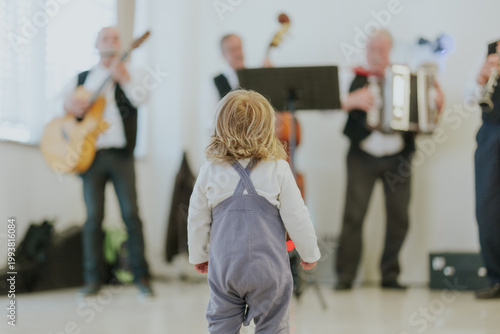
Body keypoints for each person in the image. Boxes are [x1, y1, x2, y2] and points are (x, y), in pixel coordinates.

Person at [188, 90, 321, 333]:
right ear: (267, 129)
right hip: (269, 271)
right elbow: (298, 217)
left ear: (220, 126)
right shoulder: (279, 169)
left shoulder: (210, 170)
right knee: (273, 325)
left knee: (221, 324)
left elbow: (196, 218)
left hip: (226, 268)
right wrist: (309, 252)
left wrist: (198, 255)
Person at [335, 30, 444, 290]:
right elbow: (328, 107)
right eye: (371, 49)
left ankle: (390, 276)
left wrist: (436, 103)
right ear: (366, 49)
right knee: (353, 216)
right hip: (361, 155)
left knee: (399, 218)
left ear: (389, 50)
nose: (375, 54)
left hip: (399, 156)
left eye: (381, 50)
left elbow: (429, 105)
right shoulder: (352, 75)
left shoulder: (406, 76)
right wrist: (351, 101)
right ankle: (345, 277)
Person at [62, 27, 152, 297]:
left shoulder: (132, 73)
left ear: (122, 44)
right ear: (97, 45)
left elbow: (142, 98)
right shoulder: (83, 78)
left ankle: (141, 277)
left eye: (115, 38)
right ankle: (93, 280)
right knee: (93, 219)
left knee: (131, 215)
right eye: (105, 39)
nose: (111, 43)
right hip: (91, 157)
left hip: (122, 155)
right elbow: (60, 104)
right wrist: (70, 106)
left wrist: (123, 77)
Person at [473, 40, 500, 299]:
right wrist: (480, 80)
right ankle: (496, 277)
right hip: (491, 134)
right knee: (487, 208)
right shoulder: (490, 48)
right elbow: (466, 96)